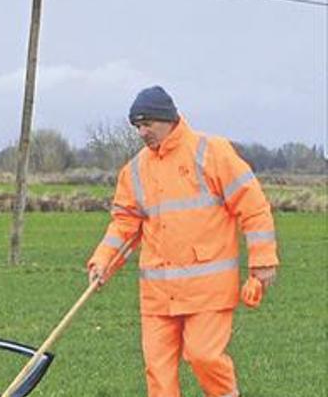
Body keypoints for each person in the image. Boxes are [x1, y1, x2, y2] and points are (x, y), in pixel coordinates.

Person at [87, 86, 279, 397]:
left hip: (208, 291)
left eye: (147, 123)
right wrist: (102, 263)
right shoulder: (134, 170)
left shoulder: (212, 152)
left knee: (204, 357)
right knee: (158, 376)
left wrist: (263, 261)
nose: (141, 132)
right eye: (137, 126)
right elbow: (124, 226)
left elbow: (253, 206)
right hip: (157, 295)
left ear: (168, 118)